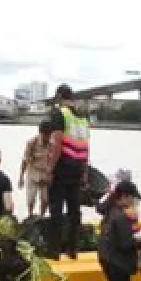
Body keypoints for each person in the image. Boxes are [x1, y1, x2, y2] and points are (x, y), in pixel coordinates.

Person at [46, 84, 90, 258]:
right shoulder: (82, 117)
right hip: (78, 167)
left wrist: (50, 169)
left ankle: (54, 250)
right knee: (74, 211)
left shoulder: (59, 114)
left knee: (56, 210)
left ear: (58, 97)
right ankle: (73, 249)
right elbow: (86, 145)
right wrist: (85, 171)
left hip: (62, 167)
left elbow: (57, 143)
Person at [96, 180, 141, 281]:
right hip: (119, 264)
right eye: (133, 198)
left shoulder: (110, 209)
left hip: (107, 258)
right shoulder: (122, 217)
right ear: (124, 197)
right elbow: (126, 244)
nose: (134, 202)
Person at [19, 122, 53, 217]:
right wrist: (21, 177)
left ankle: (41, 216)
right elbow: (25, 160)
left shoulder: (52, 144)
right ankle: (30, 215)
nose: (48, 138)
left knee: (45, 199)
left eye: (49, 135)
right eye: (46, 135)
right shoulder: (31, 143)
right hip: (33, 174)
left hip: (45, 175)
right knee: (31, 198)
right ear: (41, 133)